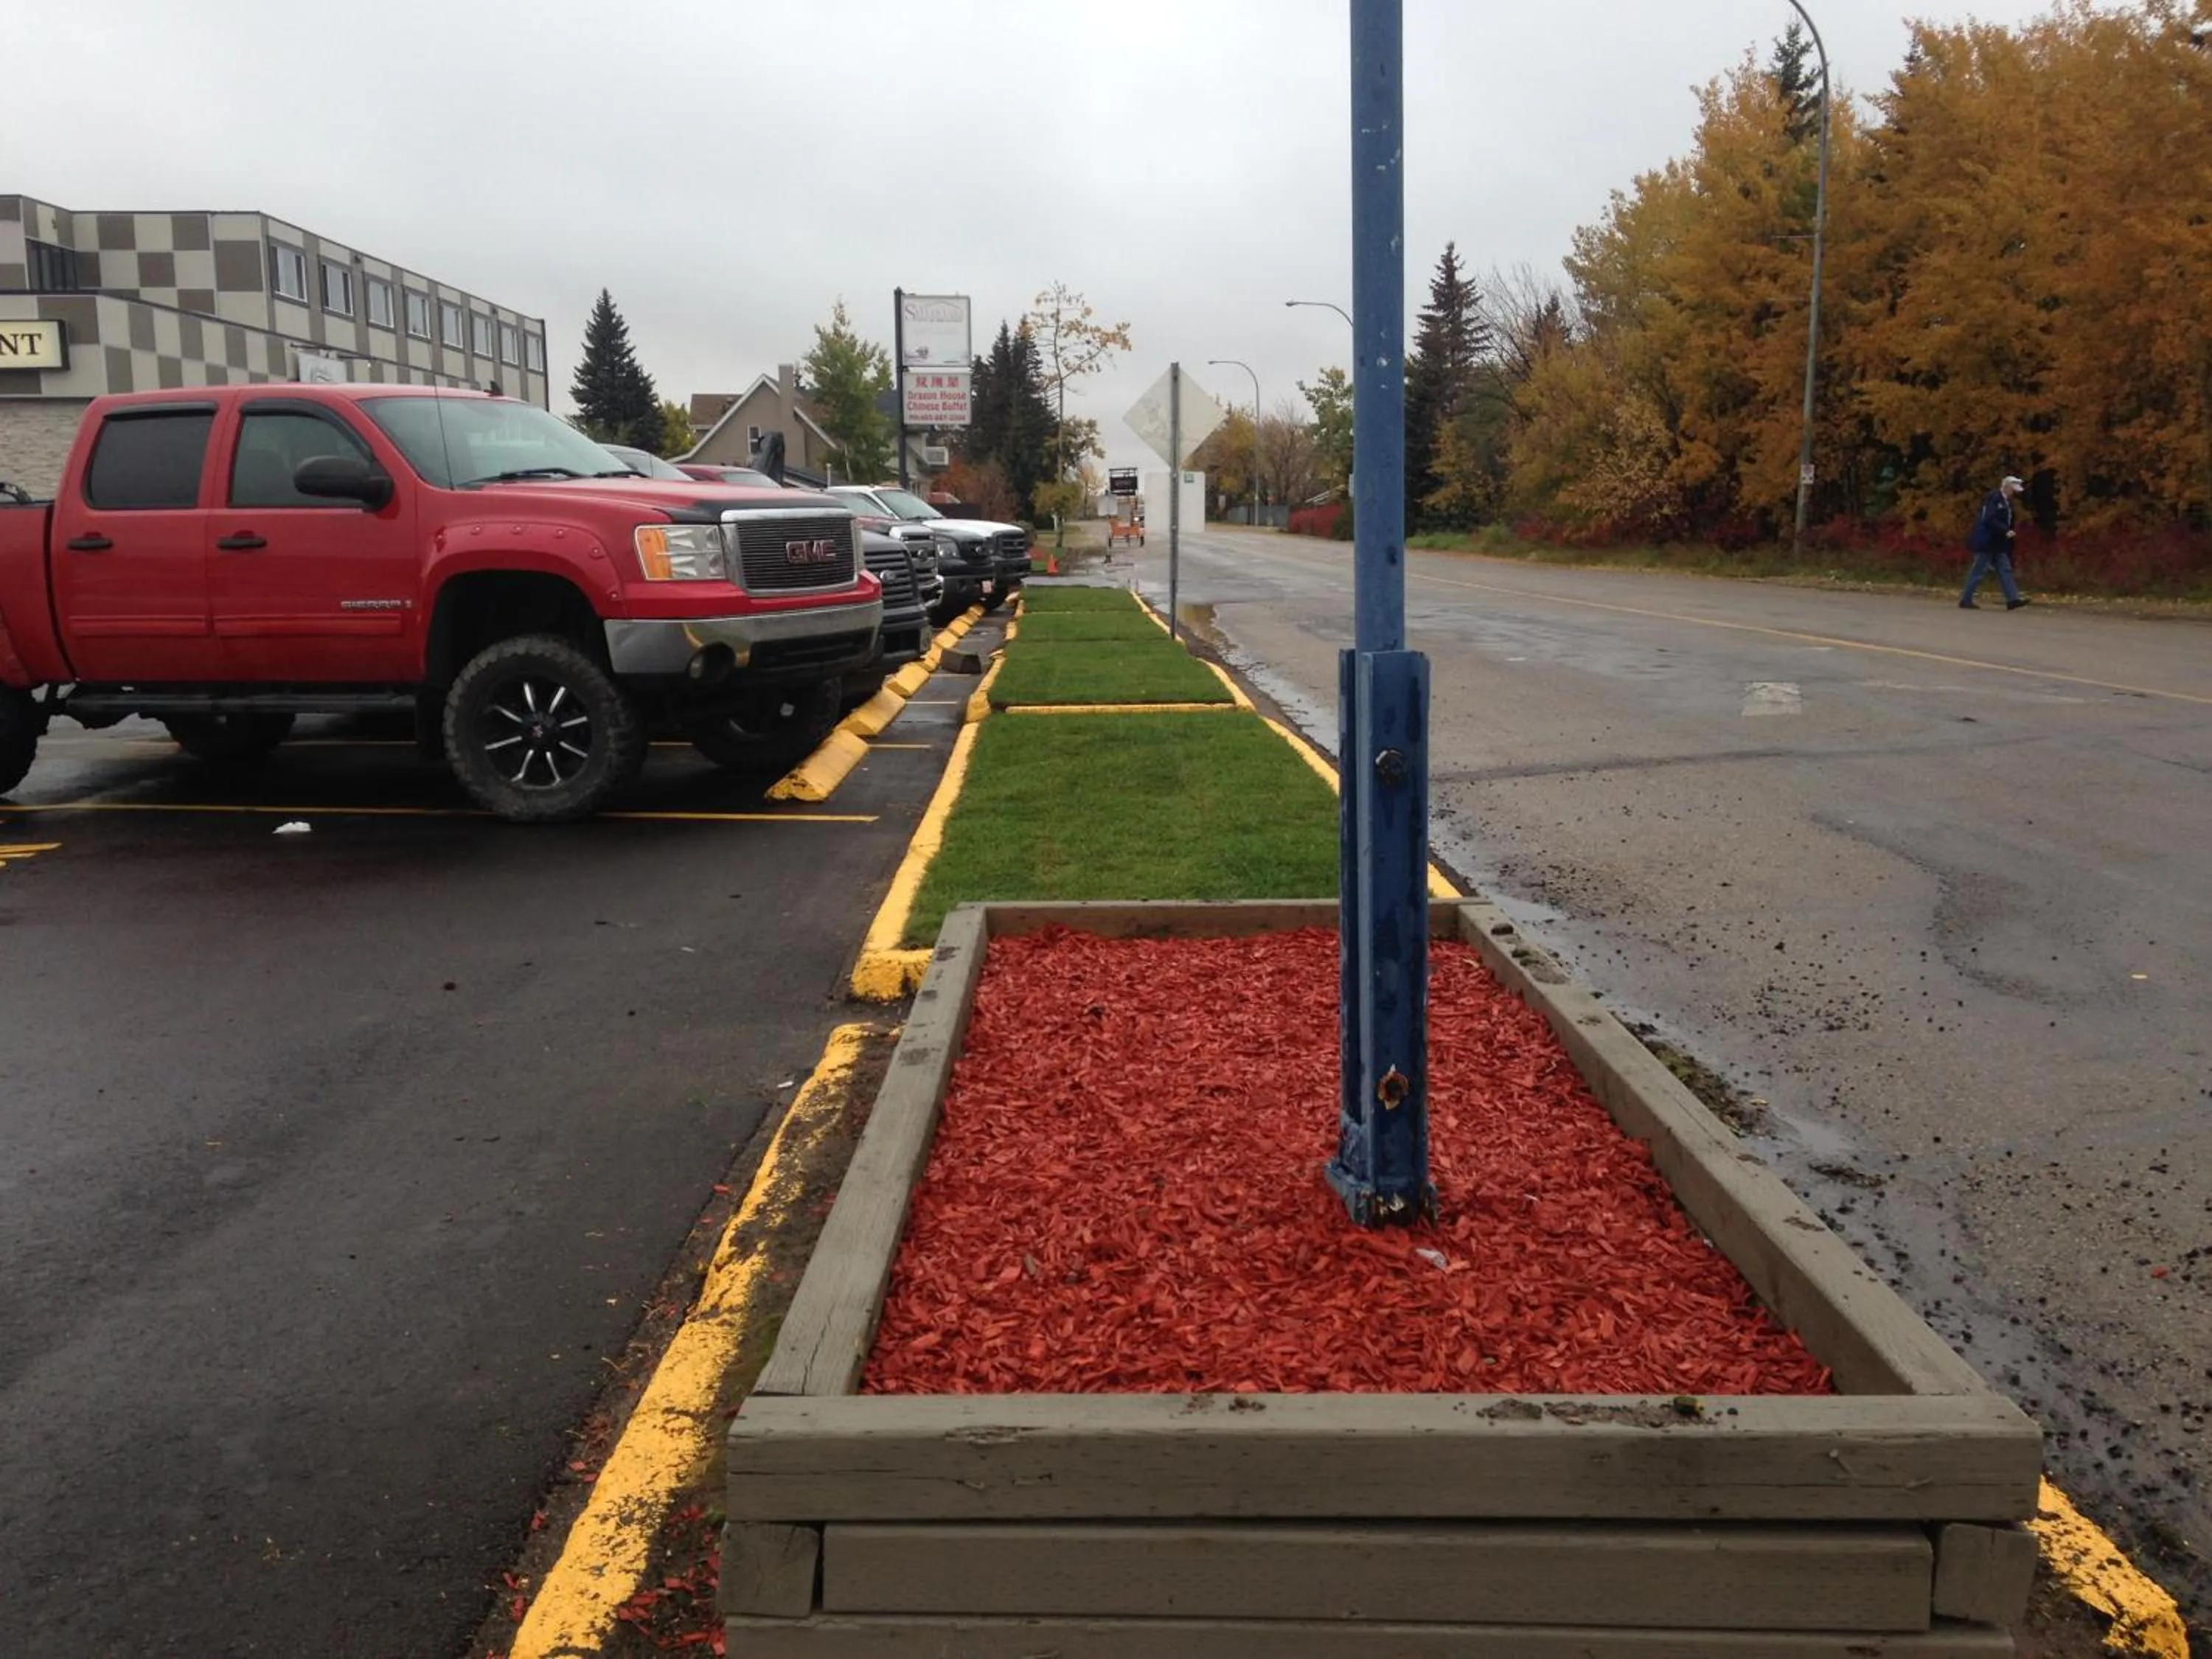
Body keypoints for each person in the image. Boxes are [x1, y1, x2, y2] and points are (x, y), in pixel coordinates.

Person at [1961, 475, 2031, 610]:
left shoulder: (2007, 502)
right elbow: (1990, 519)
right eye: (2013, 489)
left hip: (1998, 542)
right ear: (2006, 487)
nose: (2014, 493)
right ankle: (1966, 599)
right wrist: (2005, 530)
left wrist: (2008, 533)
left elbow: (2008, 520)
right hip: (1987, 541)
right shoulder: (1994, 499)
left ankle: (2013, 599)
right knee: (1978, 571)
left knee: (2005, 569)